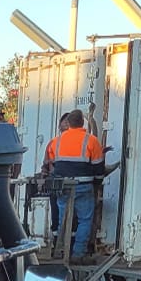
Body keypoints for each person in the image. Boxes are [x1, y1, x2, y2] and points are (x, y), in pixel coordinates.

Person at [43, 109, 105, 254]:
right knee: (84, 220)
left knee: (63, 220)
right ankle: (78, 253)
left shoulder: (55, 142)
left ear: (68, 123)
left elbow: (51, 164)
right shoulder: (92, 141)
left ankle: (61, 251)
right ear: (82, 123)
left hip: (63, 186)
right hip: (83, 186)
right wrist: (97, 182)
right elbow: (98, 167)